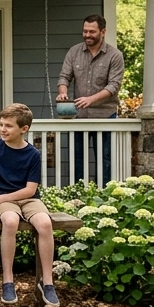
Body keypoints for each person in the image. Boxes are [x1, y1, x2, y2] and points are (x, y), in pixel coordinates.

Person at [0, 103, 58, 307]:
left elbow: (30, 190)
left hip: (27, 198)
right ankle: (8, 281)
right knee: (11, 221)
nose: (3, 129)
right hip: (4, 201)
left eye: (9, 126)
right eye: (1, 124)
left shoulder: (33, 154)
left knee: (45, 223)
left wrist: (0, 199)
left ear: (24, 129)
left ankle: (47, 283)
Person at [56, 14, 125, 182]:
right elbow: (64, 77)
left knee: (105, 159)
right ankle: (78, 195)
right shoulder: (74, 52)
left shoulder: (115, 56)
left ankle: (104, 195)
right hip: (78, 116)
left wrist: (91, 99)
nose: (87, 35)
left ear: (103, 31)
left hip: (105, 115)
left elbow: (114, 86)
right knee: (76, 158)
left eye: (92, 32)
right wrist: (63, 91)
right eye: (85, 31)